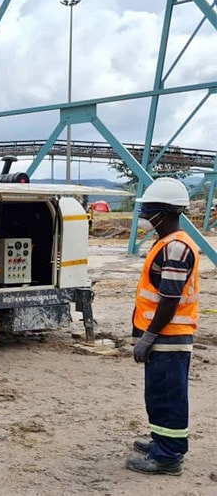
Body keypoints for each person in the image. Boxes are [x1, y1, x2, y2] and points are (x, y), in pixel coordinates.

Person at [126, 177, 199, 476]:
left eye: (149, 209)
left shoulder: (175, 249)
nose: (144, 215)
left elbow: (169, 300)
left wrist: (150, 336)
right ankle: (162, 440)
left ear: (166, 212)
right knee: (158, 393)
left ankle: (168, 457)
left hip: (169, 337)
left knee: (167, 395)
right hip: (163, 336)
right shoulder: (166, 243)